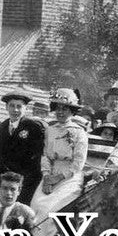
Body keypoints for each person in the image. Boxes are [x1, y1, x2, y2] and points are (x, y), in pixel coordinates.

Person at [32, 89, 88, 222]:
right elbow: (45, 155)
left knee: (50, 209)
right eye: (58, 108)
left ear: (72, 111)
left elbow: (78, 163)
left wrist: (58, 178)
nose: (60, 112)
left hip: (69, 176)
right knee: (35, 205)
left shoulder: (79, 132)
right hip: (51, 173)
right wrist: (46, 177)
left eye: (65, 109)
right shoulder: (50, 130)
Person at [0, 89, 44, 205]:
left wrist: (20, 180)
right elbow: (0, 155)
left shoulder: (33, 127)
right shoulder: (2, 126)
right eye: (11, 106)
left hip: (25, 180)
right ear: (6, 107)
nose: (15, 110)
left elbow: (35, 158)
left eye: (19, 106)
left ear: (25, 108)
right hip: (5, 178)